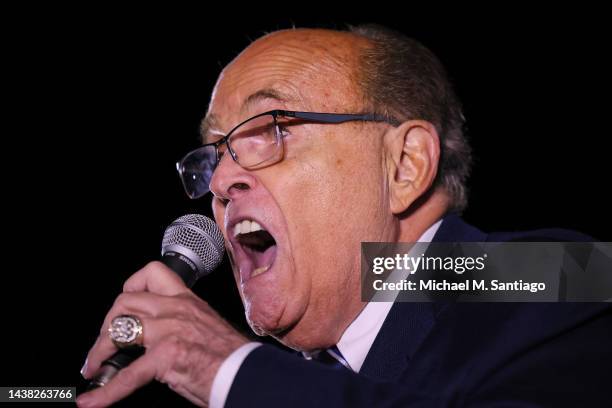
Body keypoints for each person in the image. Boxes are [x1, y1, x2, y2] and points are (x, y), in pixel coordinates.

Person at [77, 25, 612, 407]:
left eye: (273, 128)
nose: (218, 182)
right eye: (214, 153)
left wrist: (227, 371)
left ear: (404, 165)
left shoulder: (558, 273)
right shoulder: (307, 370)